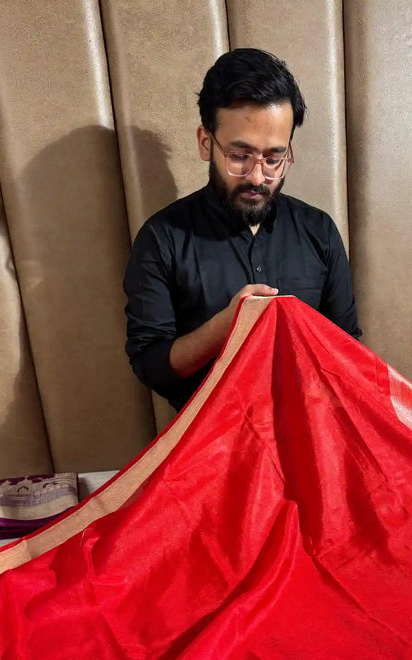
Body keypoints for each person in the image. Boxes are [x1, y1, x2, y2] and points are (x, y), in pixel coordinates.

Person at [124, 48, 361, 411]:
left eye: (273, 158)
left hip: (312, 430)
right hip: (210, 443)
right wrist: (226, 326)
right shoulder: (162, 239)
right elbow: (152, 367)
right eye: (239, 156)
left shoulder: (319, 231)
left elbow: (347, 350)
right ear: (206, 143)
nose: (257, 176)